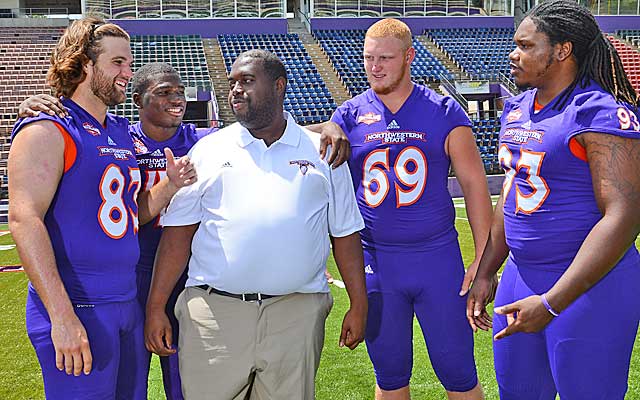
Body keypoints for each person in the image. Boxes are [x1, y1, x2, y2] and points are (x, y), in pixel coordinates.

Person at [18, 62, 352, 399]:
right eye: (164, 92)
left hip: (180, 265)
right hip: (129, 267)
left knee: (180, 377)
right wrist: (33, 107)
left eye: (179, 92)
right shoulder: (119, 135)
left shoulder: (198, 139)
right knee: (126, 374)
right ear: (138, 100)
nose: (176, 99)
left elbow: (260, 129)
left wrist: (329, 126)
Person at [144, 49, 367, 400]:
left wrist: (358, 302)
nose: (235, 90)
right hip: (215, 313)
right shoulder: (208, 151)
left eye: (247, 81)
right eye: (232, 82)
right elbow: (177, 236)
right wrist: (156, 307)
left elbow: (345, 233)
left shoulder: (323, 152)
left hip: (296, 311)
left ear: (279, 86)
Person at [8, 18, 196, 399]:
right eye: (117, 63)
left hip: (126, 302)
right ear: (83, 64)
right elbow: (24, 219)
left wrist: (170, 186)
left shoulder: (121, 130)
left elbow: (127, 213)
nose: (128, 73)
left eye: (129, 63)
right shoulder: (47, 128)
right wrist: (61, 316)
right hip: (78, 303)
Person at [466, 1, 640, 398]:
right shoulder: (518, 108)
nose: (514, 54)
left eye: (526, 46)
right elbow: (511, 192)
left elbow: (625, 214)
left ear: (562, 50)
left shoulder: (599, 113)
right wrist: (486, 270)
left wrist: (551, 302)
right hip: (520, 276)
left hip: (591, 285)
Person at [330, 18, 492, 400]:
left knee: (457, 370)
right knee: (389, 371)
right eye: (369, 58)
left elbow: (474, 185)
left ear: (409, 57)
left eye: (385, 58)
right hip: (377, 261)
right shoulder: (349, 116)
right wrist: (328, 127)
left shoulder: (443, 110)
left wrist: (483, 261)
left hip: (437, 258)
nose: (375, 67)